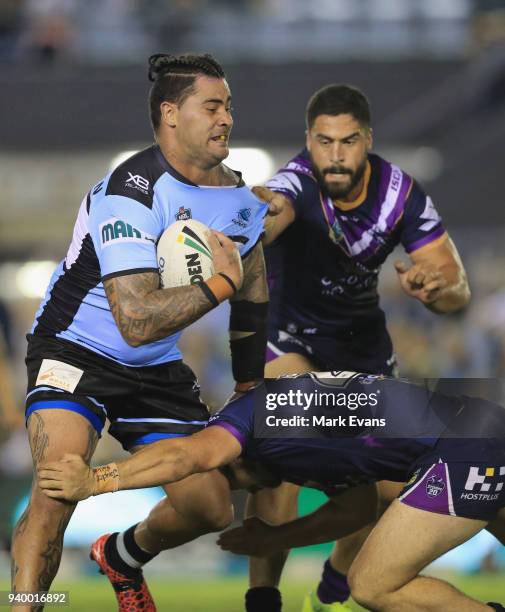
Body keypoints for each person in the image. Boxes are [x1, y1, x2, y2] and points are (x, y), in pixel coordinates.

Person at [11, 52, 270, 612]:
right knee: (57, 487)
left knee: (211, 508)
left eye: (229, 106)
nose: (227, 118)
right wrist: (220, 285)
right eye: (213, 106)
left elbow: (253, 300)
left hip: (152, 366)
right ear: (171, 114)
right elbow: (133, 320)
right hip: (74, 350)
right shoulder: (130, 191)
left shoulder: (243, 202)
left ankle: (123, 554)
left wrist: (249, 388)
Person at [249, 83, 471, 612]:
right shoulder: (296, 185)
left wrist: (436, 289)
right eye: (324, 142)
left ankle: (336, 582)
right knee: (280, 455)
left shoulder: (401, 195)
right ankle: (262, 600)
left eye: (347, 141)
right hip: (288, 341)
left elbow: (457, 286)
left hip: (364, 351)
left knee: (389, 487)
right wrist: (247, 215)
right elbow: (269, 210)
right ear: (309, 140)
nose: (335, 155)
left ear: (367, 139)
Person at [38, 371, 505, 612]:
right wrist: (274, 541)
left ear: (230, 461)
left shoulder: (248, 419)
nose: (249, 496)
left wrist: (95, 481)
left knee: (373, 585)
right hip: (478, 425)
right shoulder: (299, 439)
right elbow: (357, 508)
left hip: (466, 449)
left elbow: (184, 457)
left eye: (231, 483)